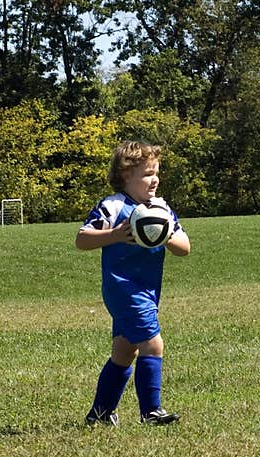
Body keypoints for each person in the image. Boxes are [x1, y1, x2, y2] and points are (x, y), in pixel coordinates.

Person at [76, 141, 191, 427]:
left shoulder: (161, 210)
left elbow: (184, 247)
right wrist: (114, 234)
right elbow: (82, 239)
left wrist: (165, 235)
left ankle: (100, 414)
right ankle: (151, 411)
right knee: (153, 344)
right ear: (126, 174)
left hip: (149, 290)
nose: (155, 180)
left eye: (156, 173)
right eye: (148, 173)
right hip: (123, 288)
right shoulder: (113, 206)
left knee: (125, 352)